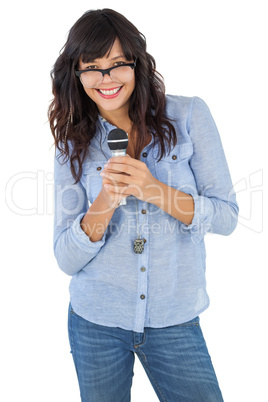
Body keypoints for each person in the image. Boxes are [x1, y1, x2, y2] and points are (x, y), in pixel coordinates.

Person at [49, 8, 238, 402]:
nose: (106, 79)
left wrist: (154, 190)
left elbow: (226, 216)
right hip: (95, 323)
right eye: (92, 67)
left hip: (174, 320)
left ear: (137, 63)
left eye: (118, 64)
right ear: (77, 73)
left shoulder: (188, 116)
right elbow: (65, 258)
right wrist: (104, 203)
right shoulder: (72, 143)